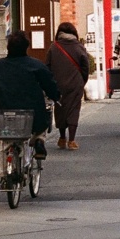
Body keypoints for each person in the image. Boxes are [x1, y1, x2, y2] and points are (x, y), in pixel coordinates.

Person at [0, 31, 59, 159]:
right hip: (32, 115)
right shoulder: (36, 65)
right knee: (40, 126)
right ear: (26, 47)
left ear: (8, 47)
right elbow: (50, 84)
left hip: (5, 113)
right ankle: (39, 140)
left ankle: (6, 169)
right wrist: (56, 96)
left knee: (6, 137)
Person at [46, 21, 90, 150]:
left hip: (58, 83)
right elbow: (85, 66)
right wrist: (82, 81)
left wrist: (51, 83)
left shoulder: (54, 47)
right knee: (73, 109)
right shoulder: (79, 46)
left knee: (60, 109)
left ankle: (61, 138)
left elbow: (47, 66)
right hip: (75, 83)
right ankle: (71, 140)